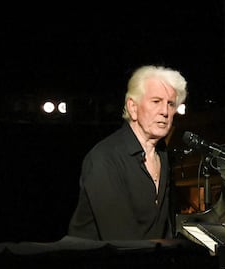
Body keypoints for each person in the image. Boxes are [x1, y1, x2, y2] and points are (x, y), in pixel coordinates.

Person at [68, 65, 188, 241]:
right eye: (156, 101)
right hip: (99, 264)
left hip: (144, 260)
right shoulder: (104, 158)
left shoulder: (162, 154)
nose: (165, 111)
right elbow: (121, 240)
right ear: (132, 107)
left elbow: (163, 228)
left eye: (170, 104)